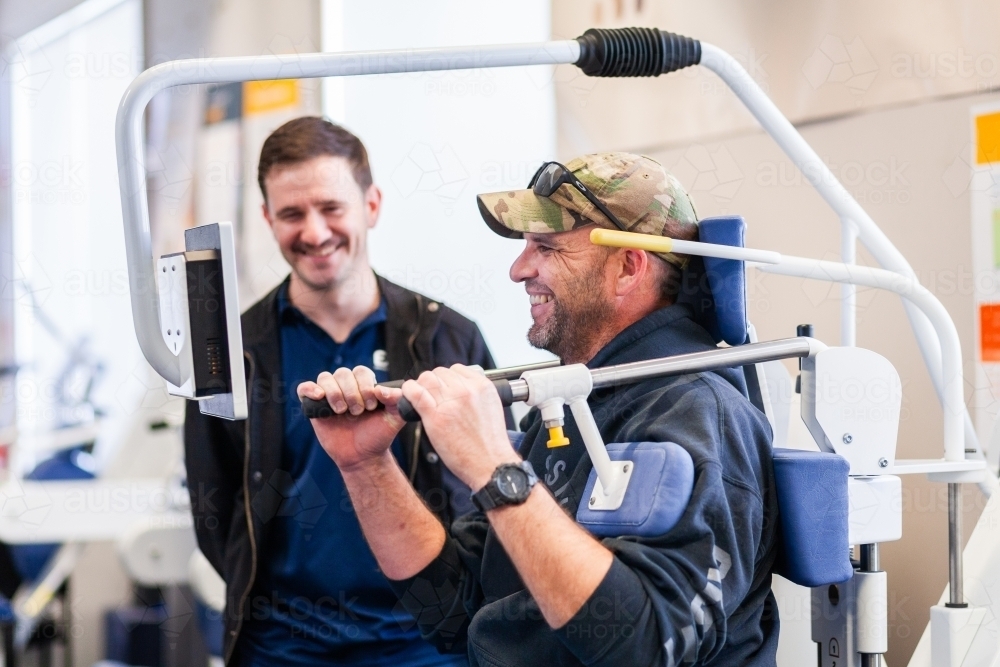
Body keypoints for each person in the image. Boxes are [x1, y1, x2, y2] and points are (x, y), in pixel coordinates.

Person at [299, 152, 779, 666]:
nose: (518, 269)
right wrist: (365, 465)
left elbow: (644, 646)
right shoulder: (577, 403)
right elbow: (451, 612)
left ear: (627, 267)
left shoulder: (700, 414)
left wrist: (492, 466)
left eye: (546, 248)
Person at [185, 116, 497, 666]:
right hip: (280, 647)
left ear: (371, 205)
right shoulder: (232, 355)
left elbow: (490, 486)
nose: (313, 231)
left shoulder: (447, 338)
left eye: (331, 208)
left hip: (426, 644)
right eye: (290, 214)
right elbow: (214, 511)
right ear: (266, 219)